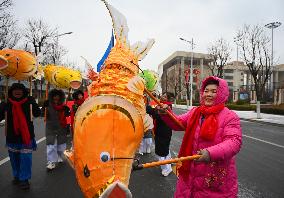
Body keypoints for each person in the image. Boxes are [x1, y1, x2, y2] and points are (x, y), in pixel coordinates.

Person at [158, 76, 242, 197]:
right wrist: (166, 114)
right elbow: (179, 123)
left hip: (214, 176)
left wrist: (210, 153)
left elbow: (234, 142)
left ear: (222, 94)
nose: (208, 94)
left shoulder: (229, 116)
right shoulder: (196, 112)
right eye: (206, 91)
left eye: (214, 91)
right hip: (190, 172)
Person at [0, 83, 41, 190]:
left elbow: (38, 113)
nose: (17, 92)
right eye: (15, 90)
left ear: (24, 92)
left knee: (25, 159)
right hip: (12, 136)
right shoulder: (7, 104)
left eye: (20, 90)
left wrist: (34, 103)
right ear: (11, 92)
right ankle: (17, 176)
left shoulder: (29, 102)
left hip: (26, 137)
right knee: (14, 159)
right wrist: (1, 107)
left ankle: (24, 179)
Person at [42, 89, 70, 171]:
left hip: (61, 128)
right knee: (51, 145)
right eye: (54, 96)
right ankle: (51, 161)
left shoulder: (64, 106)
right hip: (51, 127)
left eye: (58, 96)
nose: (56, 98)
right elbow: (42, 114)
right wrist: (44, 107)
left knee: (61, 146)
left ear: (60, 97)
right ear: (52, 97)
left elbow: (67, 116)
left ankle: (60, 155)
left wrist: (66, 110)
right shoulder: (48, 105)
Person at [147, 93, 173, 177]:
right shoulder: (160, 104)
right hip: (162, 131)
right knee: (165, 149)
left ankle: (167, 168)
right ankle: (169, 161)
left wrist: (148, 108)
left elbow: (157, 115)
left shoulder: (166, 107)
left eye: (165, 96)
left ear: (168, 99)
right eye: (163, 95)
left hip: (163, 132)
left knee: (161, 151)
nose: (162, 97)